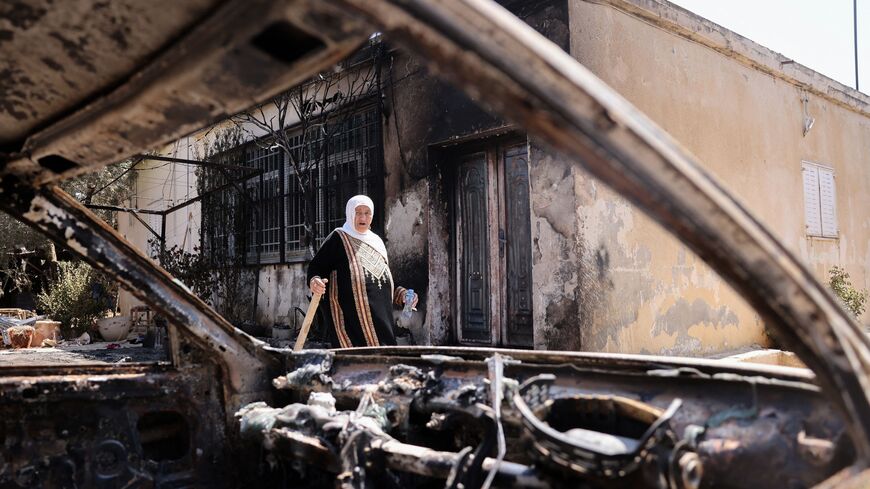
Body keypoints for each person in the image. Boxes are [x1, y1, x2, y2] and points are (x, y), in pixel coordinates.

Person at [307, 195, 418, 347]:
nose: (363, 217)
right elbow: (317, 267)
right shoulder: (338, 238)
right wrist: (315, 280)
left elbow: (383, 280)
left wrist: (403, 295)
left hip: (382, 326)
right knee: (355, 364)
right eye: (358, 212)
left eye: (367, 213)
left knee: (383, 363)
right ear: (350, 213)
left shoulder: (377, 242)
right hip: (349, 325)